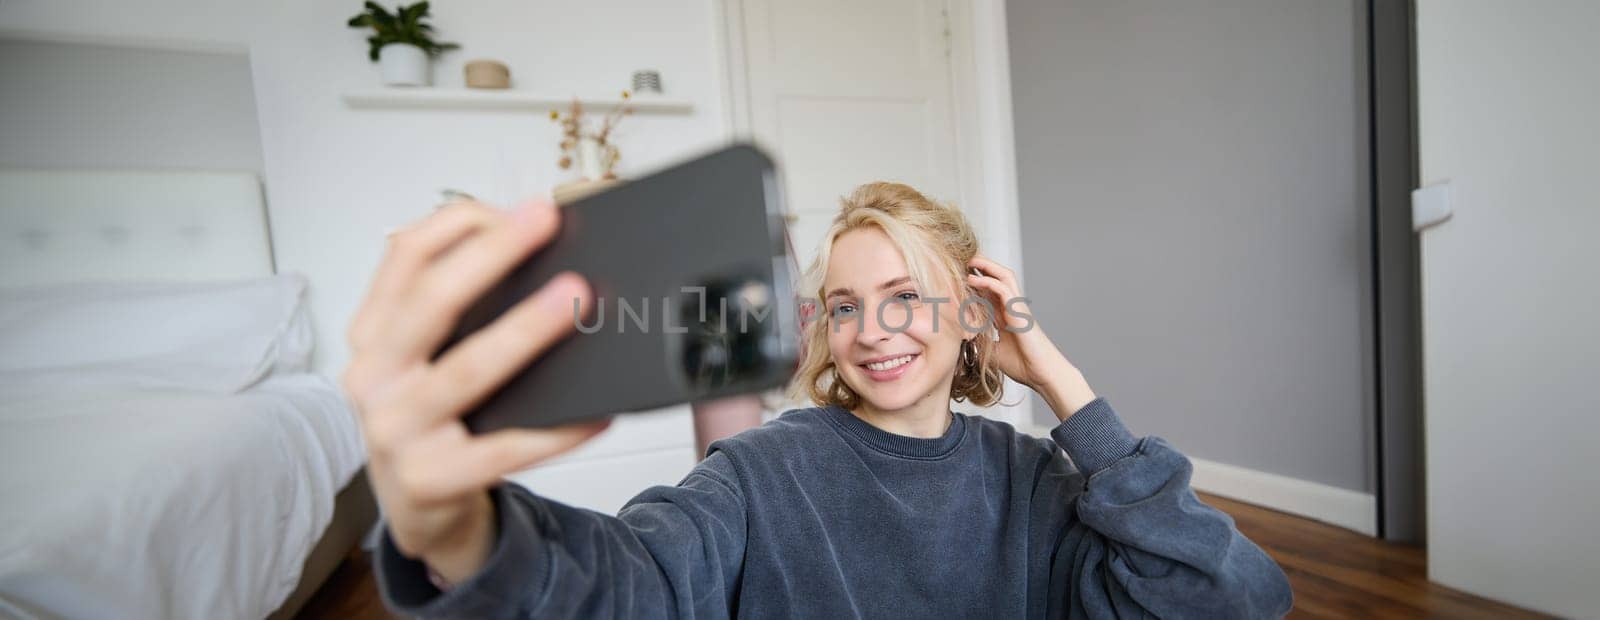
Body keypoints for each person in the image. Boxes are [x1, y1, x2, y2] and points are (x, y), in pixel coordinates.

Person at [342, 183, 1294, 618]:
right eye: (846, 305)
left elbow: (1233, 595)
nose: (872, 330)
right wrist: (460, 536)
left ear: (973, 314)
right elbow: (638, 584)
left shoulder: (1038, 479)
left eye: (904, 298)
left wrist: (1063, 386)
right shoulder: (765, 469)